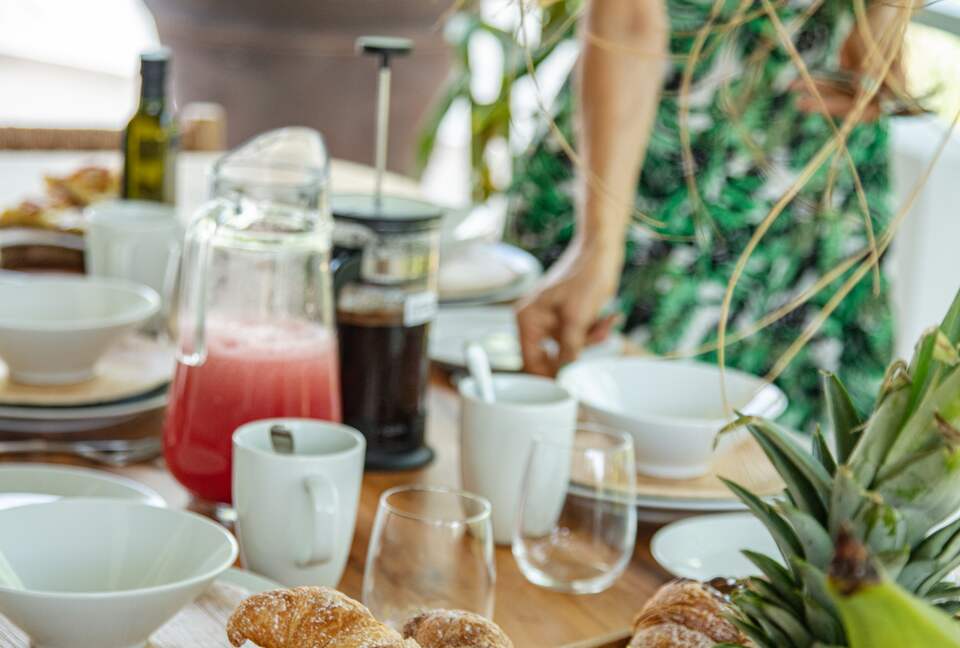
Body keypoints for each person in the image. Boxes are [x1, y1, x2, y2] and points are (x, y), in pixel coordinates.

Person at [512, 0, 908, 429]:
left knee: (782, 461)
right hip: (652, 168)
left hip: (812, 172)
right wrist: (597, 245)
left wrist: (883, 27)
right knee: (609, 442)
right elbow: (628, 18)